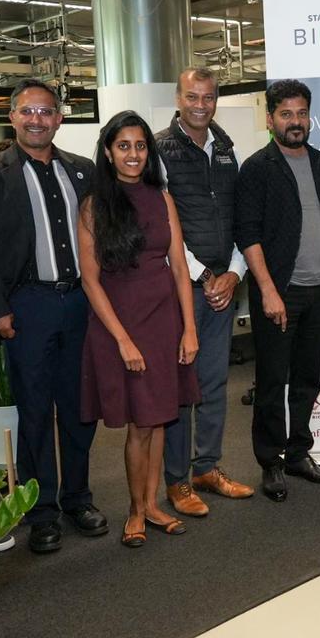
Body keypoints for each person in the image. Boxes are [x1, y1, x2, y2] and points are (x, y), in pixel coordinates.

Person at [0, 79, 107, 554]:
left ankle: (77, 498)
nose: (37, 119)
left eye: (46, 112)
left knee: (78, 407)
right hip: (26, 307)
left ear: (59, 118)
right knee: (34, 410)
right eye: (27, 111)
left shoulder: (84, 171)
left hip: (79, 304)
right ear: (13, 117)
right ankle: (41, 509)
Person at [79, 111, 200, 547]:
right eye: (124, 146)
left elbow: (181, 268)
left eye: (141, 145)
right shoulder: (95, 204)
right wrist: (123, 340)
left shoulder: (161, 198)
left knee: (161, 415)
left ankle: (152, 505)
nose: (133, 154)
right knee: (139, 424)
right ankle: (134, 510)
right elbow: (90, 279)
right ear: (109, 152)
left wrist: (189, 328)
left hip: (164, 318)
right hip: (121, 323)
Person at [235, 79, 320, 502]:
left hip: (319, 289)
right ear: (270, 119)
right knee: (272, 381)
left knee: (307, 378)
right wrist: (267, 290)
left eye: (301, 113)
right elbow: (247, 234)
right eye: (286, 114)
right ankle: (270, 461)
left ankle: (298, 453)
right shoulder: (256, 168)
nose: (295, 121)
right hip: (278, 292)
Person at [155, 67, 254, 518]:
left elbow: (239, 219)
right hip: (181, 288)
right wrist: (201, 277)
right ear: (178, 98)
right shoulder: (159, 150)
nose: (201, 104)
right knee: (182, 387)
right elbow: (161, 227)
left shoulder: (226, 148)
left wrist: (233, 274)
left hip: (223, 285)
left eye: (209, 97)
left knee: (214, 383)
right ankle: (176, 481)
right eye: (192, 96)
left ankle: (207, 468)